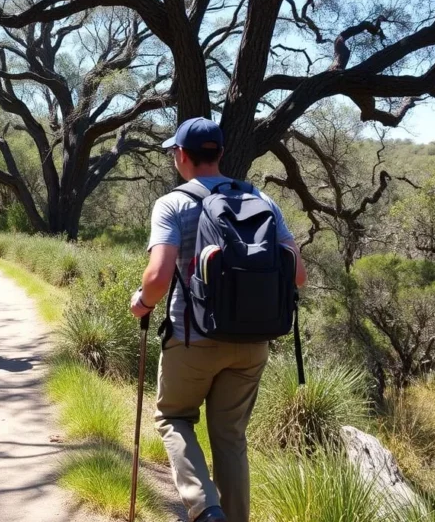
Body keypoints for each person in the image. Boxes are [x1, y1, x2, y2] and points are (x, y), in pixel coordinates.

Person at [129, 117, 307, 522]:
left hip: (191, 337)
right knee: (230, 437)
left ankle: (206, 508)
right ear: (221, 153)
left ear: (181, 156)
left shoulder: (172, 203)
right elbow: (298, 273)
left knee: (173, 417)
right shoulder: (261, 200)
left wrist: (142, 302)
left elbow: (158, 276)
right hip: (254, 342)